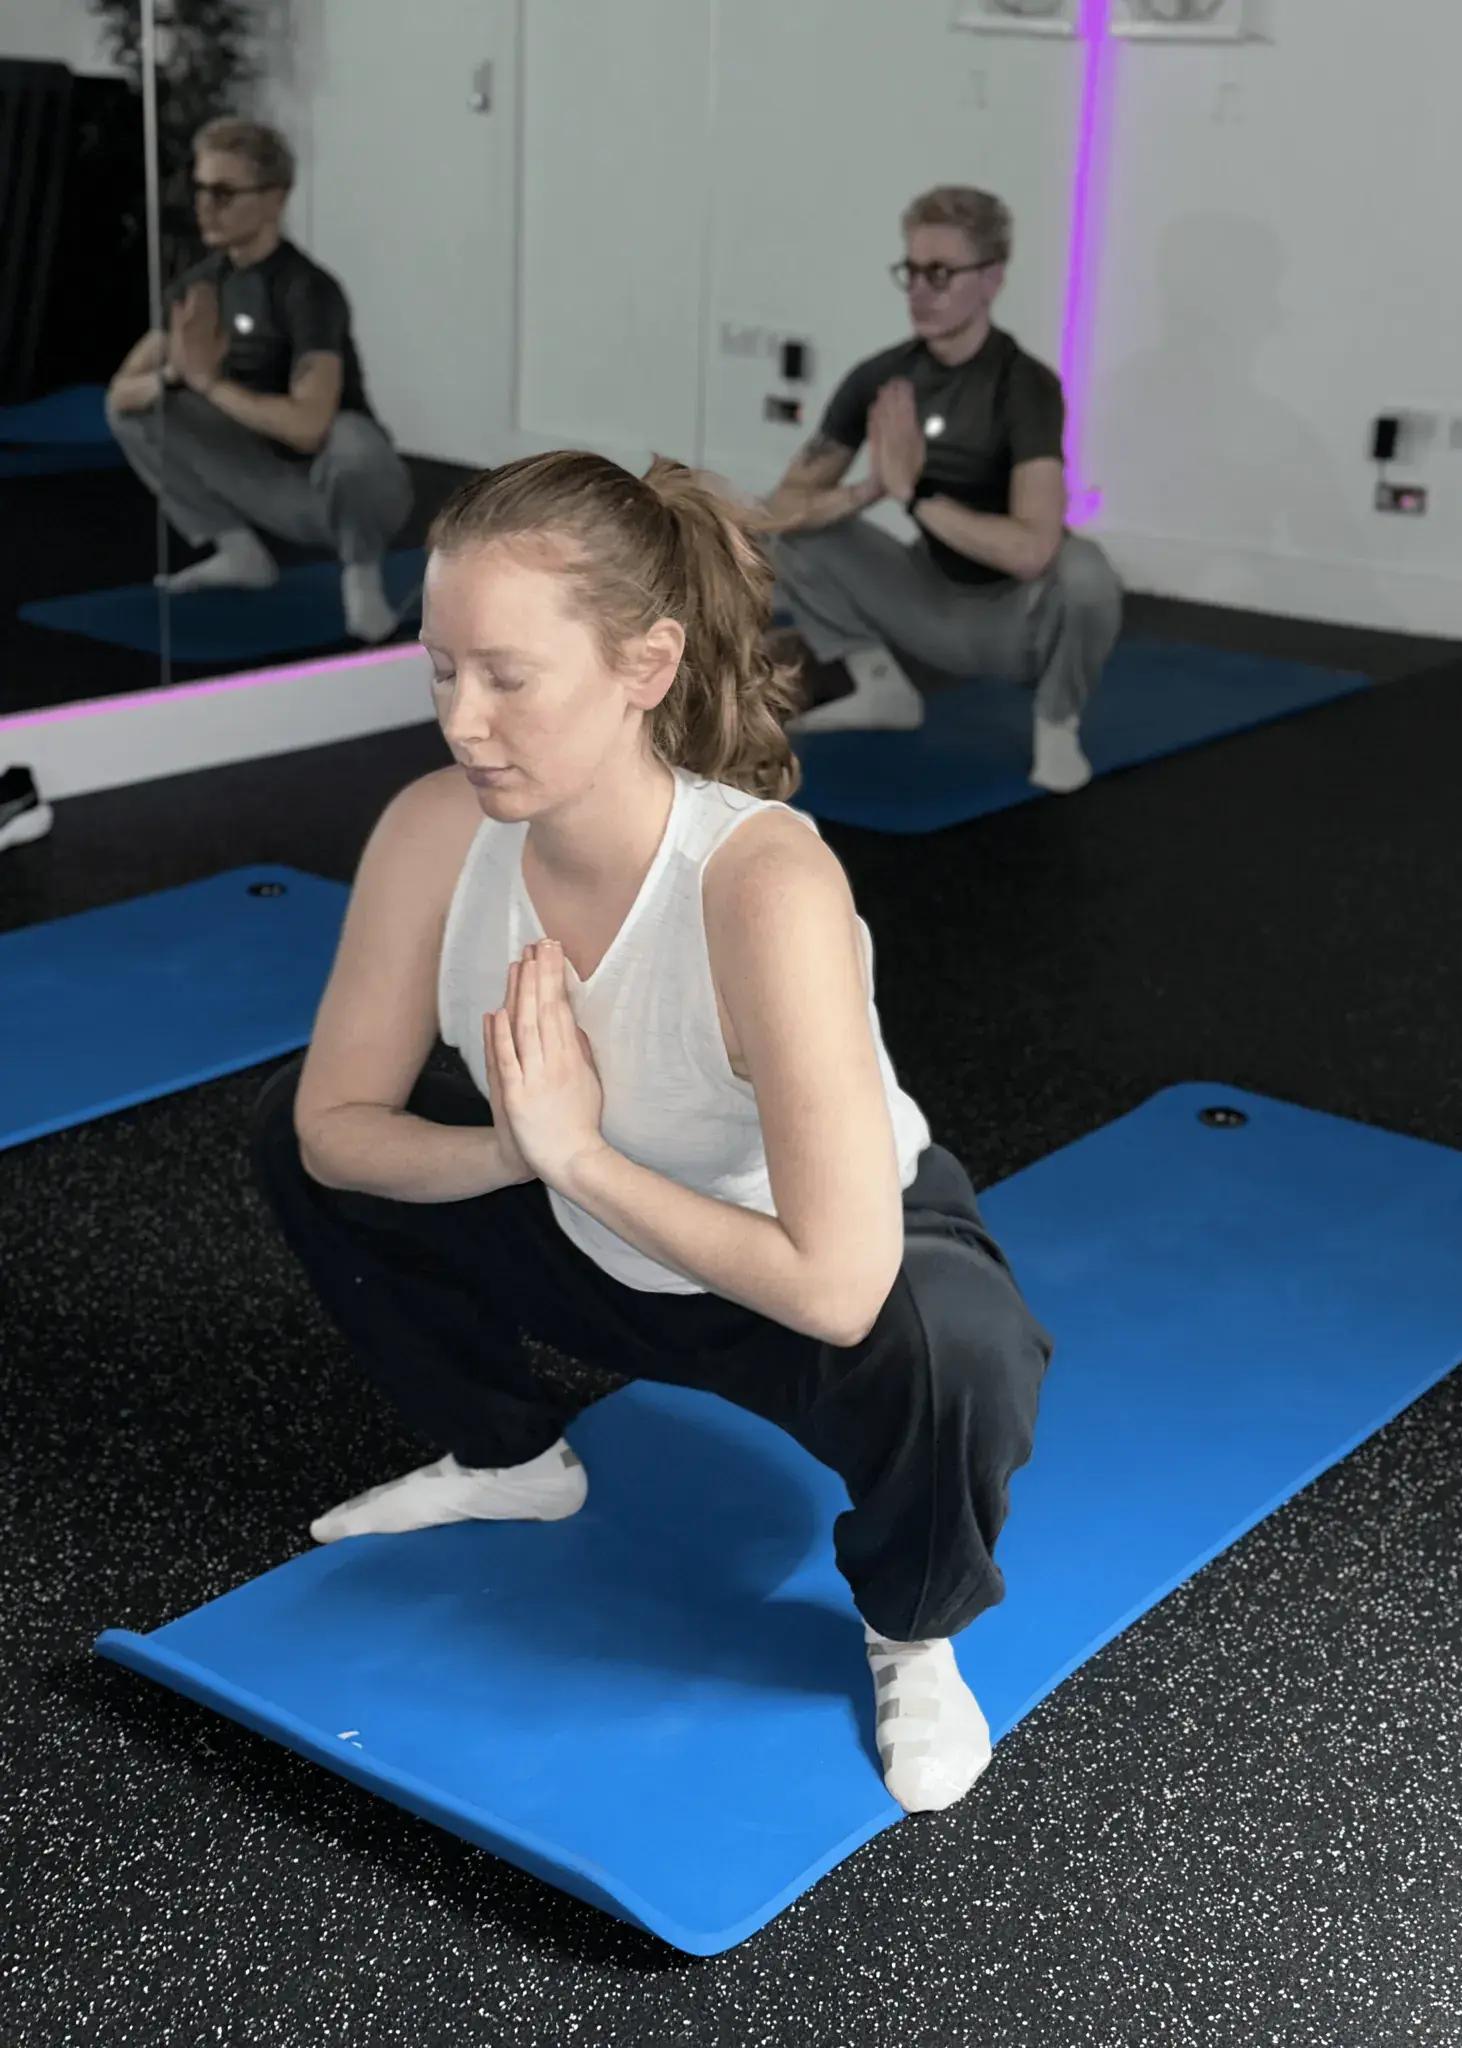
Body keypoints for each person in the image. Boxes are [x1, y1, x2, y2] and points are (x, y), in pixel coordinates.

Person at [249, 450, 1053, 1815]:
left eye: (508, 677)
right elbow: (333, 1129)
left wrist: (576, 1157)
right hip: (579, 1214)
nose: (463, 719)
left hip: (787, 1260)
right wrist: (514, 1154)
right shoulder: (435, 831)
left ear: (646, 665)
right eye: (441, 670)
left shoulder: (760, 882)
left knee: (957, 1353)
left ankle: (913, 1630)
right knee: (288, 1129)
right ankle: (509, 1459)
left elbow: (836, 1284)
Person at [767, 186, 1123, 794]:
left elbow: (1034, 550)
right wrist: (870, 489)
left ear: (991, 280)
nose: (919, 291)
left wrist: (915, 494)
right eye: (911, 272)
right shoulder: (882, 378)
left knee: (1087, 574)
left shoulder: (1025, 387)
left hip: (1016, 622)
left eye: (940, 274)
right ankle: (880, 686)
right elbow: (781, 508)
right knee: (794, 534)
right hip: (926, 603)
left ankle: (1056, 724)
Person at [106, 119, 412, 645]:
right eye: (201, 190)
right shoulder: (199, 288)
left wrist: (208, 384)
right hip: (262, 482)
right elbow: (120, 392)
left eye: (224, 193)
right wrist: (175, 373)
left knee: (351, 441)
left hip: (342, 492)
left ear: (274, 199)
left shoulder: (308, 290)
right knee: (135, 409)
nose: (206, 207)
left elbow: (309, 429)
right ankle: (239, 553)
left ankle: (362, 576)